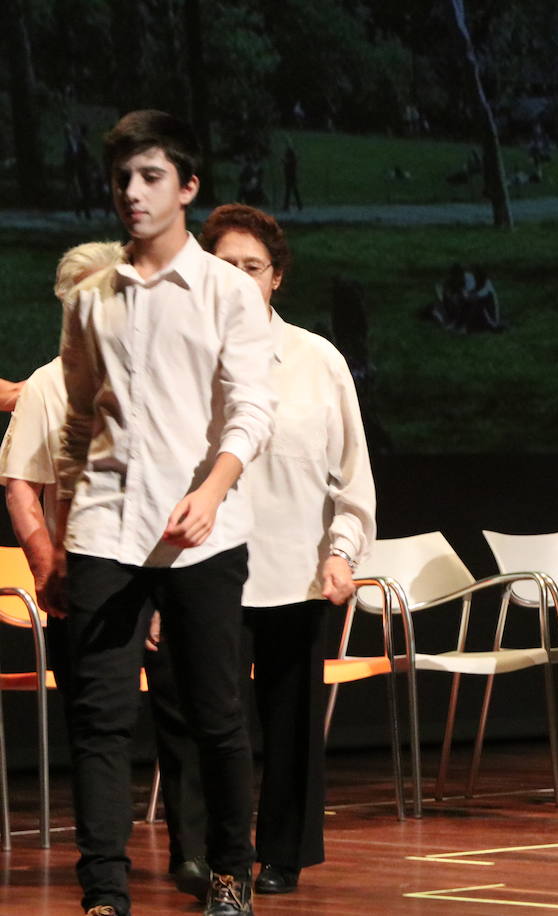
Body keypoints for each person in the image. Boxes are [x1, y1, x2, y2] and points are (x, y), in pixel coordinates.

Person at [47, 110, 275, 916]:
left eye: (150, 178)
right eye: (121, 180)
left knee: (215, 713)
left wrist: (211, 492)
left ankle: (228, 873)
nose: (132, 194)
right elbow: (77, 422)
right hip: (105, 528)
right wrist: (65, 530)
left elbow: (250, 410)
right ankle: (104, 890)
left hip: (201, 533)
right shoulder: (90, 301)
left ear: (187, 187)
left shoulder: (225, 293)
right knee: (100, 718)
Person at [1, 241, 213, 897]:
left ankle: (195, 853)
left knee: (186, 713)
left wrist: (160, 591)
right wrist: (48, 567)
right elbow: (21, 485)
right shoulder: (46, 383)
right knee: (99, 724)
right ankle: (104, 872)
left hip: (170, 571)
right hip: (87, 580)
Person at [201, 203, 376, 895]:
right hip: (205, 568)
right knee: (211, 723)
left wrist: (343, 550)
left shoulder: (316, 360)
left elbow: (351, 470)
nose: (239, 279)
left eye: (252, 267)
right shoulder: (182, 360)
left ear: (277, 278)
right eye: (224, 267)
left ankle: (282, 852)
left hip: (294, 567)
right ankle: (213, 854)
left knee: (290, 716)